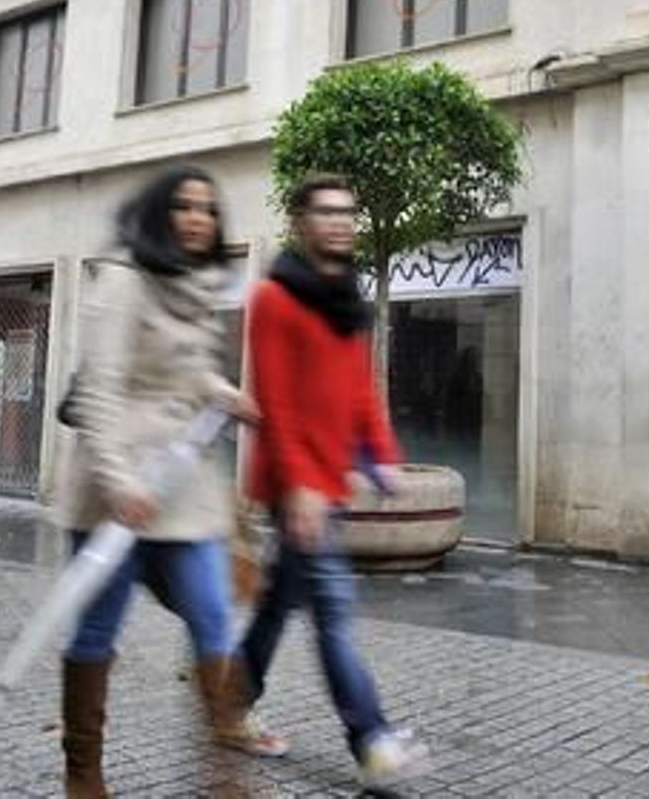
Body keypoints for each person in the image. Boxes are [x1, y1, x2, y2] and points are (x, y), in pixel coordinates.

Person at [52, 164, 284, 799]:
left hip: (180, 488)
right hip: (115, 489)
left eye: (207, 209)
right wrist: (119, 480)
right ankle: (84, 777)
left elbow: (187, 374)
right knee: (97, 631)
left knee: (213, 615)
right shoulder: (124, 281)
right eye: (184, 206)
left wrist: (230, 395)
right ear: (161, 212)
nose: (196, 218)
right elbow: (98, 389)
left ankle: (225, 758)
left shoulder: (198, 286)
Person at [234, 173, 428, 789]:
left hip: (329, 483)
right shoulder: (273, 297)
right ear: (300, 221)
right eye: (327, 212)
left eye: (348, 212)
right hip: (300, 488)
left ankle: (230, 698)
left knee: (274, 608)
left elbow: (359, 388)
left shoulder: (348, 295)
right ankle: (371, 741)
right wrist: (298, 486)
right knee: (333, 613)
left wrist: (382, 455)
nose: (341, 222)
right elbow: (277, 399)